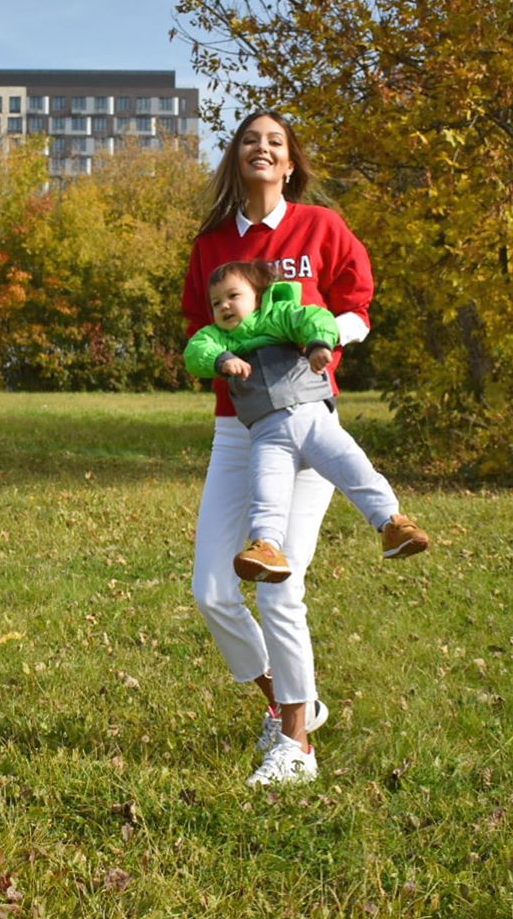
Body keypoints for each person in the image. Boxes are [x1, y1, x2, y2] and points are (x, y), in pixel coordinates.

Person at [183, 110, 378, 786]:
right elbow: (195, 323)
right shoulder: (211, 244)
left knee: (279, 583)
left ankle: (296, 747)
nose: (261, 148)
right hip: (238, 432)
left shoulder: (322, 228)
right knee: (212, 590)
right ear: (236, 158)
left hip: (307, 427)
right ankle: (290, 701)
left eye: (275, 141)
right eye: (249, 140)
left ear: (290, 161)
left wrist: (328, 339)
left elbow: (358, 302)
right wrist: (220, 358)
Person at [184, 260, 429, 584]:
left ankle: (393, 524)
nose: (225, 306)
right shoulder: (220, 338)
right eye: (216, 302)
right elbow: (195, 351)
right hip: (268, 435)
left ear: (258, 296)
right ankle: (267, 547)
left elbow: (314, 318)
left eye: (233, 296)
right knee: (267, 489)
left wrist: (318, 343)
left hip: (313, 418)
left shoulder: (280, 316)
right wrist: (222, 359)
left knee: (353, 466)